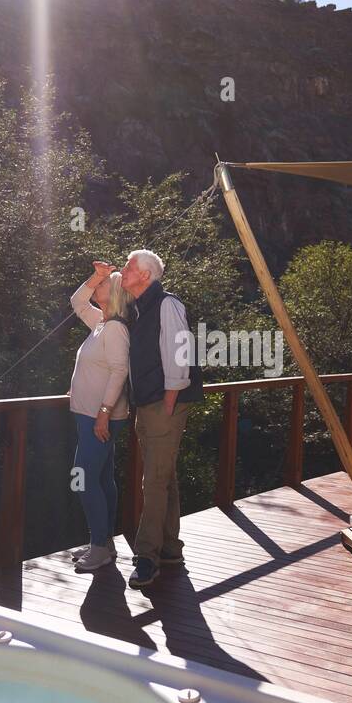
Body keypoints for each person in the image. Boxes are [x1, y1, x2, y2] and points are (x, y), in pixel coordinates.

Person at [119, 249, 203, 588]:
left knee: (152, 481)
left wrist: (170, 398)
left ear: (146, 275)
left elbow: (178, 352)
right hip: (151, 403)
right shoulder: (138, 308)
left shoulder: (167, 304)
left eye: (128, 267)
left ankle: (146, 558)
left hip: (164, 403)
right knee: (163, 476)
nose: (123, 271)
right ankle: (170, 548)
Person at [67, 260, 132, 571]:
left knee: (83, 478)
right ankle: (104, 542)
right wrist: (96, 276)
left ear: (115, 294)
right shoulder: (101, 323)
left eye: (105, 285)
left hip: (99, 417)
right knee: (102, 477)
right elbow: (77, 301)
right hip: (89, 415)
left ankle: (99, 546)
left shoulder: (116, 328)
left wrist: (104, 413)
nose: (98, 288)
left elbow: (120, 371)